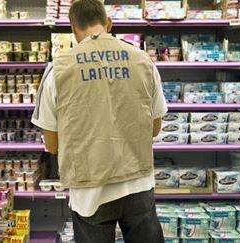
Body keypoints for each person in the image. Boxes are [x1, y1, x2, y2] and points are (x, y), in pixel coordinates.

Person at [31, 0, 167, 242]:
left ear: (73, 29)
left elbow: (51, 144)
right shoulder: (143, 60)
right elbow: (154, 128)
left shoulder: (58, 70)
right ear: (108, 23)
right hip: (137, 181)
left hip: (89, 188)